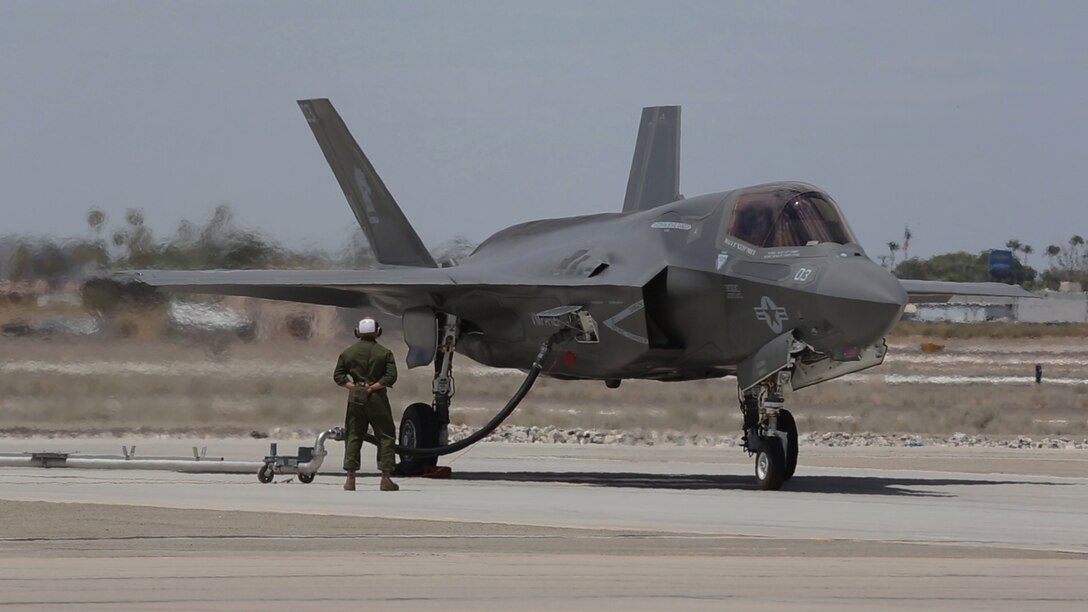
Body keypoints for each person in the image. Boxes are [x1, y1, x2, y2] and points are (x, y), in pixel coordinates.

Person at [333, 317, 399, 492]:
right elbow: (390, 377)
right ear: (378, 332)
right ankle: (385, 478)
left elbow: (338, 376)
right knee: (385, 436)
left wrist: (354, 388)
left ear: (357, 332)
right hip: (377, 399)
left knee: (353, 434)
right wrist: (372, 388)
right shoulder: (385, 353)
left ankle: (350, 479)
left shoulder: (348, 353)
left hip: (356, 398)